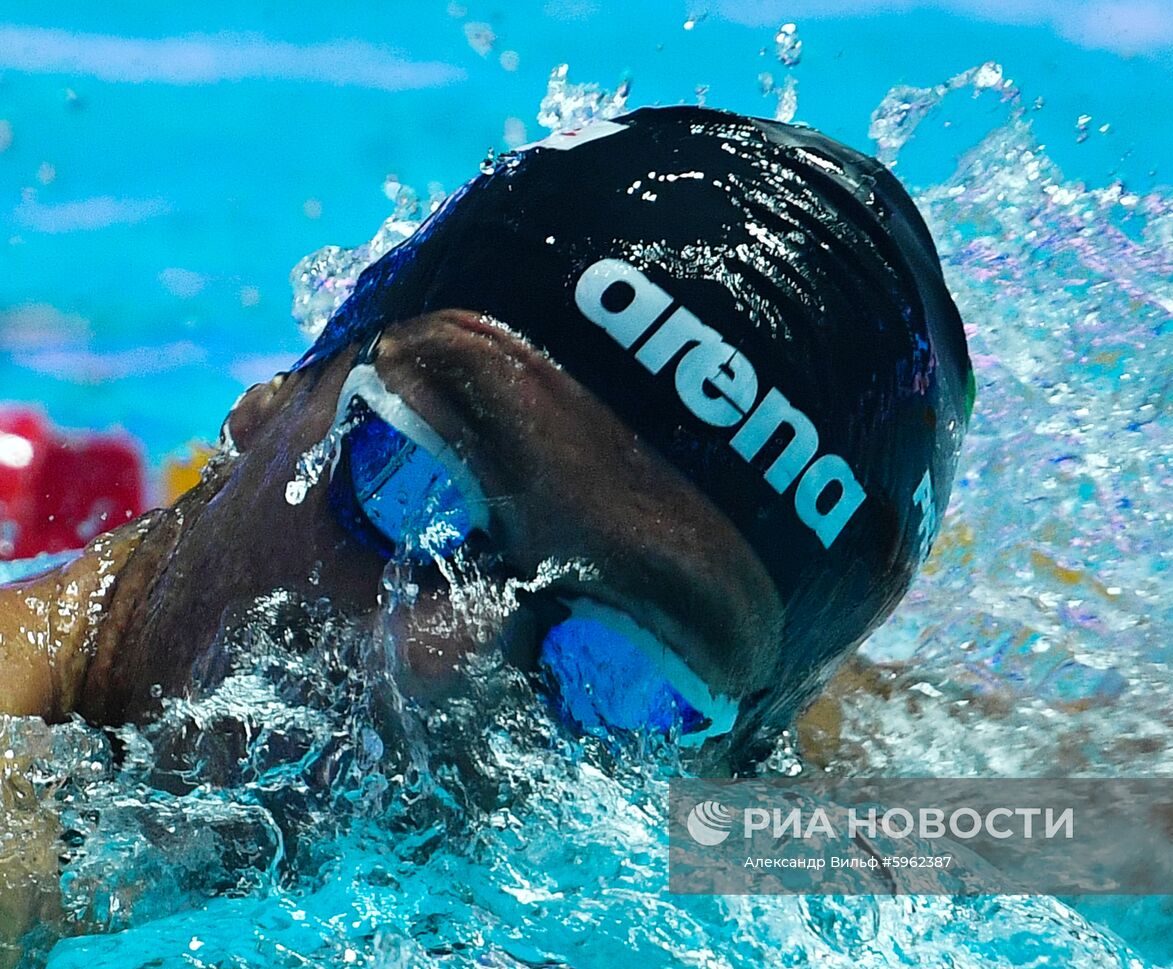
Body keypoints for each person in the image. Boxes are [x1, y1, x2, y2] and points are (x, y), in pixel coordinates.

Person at [0, 106, 972, 772]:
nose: (435, 663)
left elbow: (1100, 814)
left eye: (616, 673)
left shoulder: (726, 781)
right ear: (284, 391)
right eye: (414, 481)